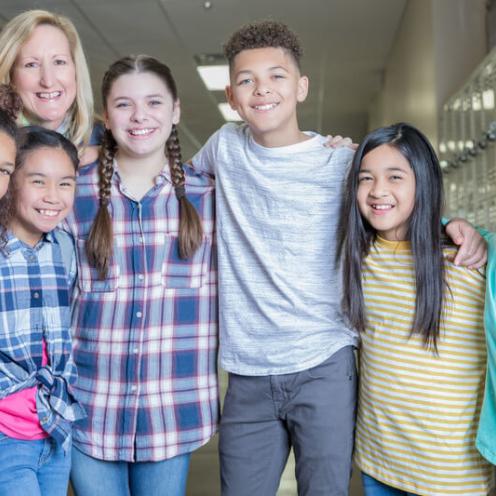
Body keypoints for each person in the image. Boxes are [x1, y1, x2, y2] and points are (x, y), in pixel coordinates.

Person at [190, 20, 488, 496]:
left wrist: (453, 226)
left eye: (277, 76)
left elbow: (393, 202)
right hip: (247, 367)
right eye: (246, 80)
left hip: (325, 362)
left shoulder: (342, 164)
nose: (262, 89)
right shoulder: (223, 147)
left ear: (302, 87)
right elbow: (170, 181)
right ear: (231, 93)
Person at [66, 55, 217, 496]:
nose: (139, 117)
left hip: (173, 409)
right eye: (123, 105)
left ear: (175, 111)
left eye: (154, 102)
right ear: (106, 116)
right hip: (87, 408)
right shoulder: (71, 193)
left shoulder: (210, 196)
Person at [339, 122, 493, 496]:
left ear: (423, 182)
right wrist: (329, 150)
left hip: (450, 471)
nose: (378, 191)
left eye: (395, 177)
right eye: (365, 178)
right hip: (379, 460)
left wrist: (474, 234)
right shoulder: (357, 258)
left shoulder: (468, 261)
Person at [0, 124, 84, 496]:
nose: (53, 196)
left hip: (54, 432)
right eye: (38, 181)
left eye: (65, 183)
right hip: (6, 438)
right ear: (11, 181)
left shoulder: (64, 248)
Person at [0, 9, 100, 163]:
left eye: (59, 62)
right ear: (9, 74)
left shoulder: (110, 142)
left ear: (76, 70)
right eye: (31, 64)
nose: (48, 81)